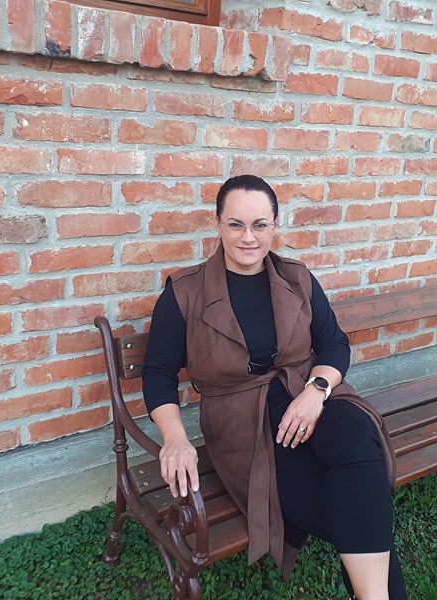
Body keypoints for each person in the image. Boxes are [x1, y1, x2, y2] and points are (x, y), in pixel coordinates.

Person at [141, 174, 407, 600]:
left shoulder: (296, 278)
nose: (248, 237)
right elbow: (158, 372)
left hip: (307, 395)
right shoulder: (184, 294)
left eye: (260, 225)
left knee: (357, 436)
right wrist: (174, 438)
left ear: (274, 226)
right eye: (236, 224)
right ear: (217, 224)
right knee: (351, 506)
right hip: (244, 426)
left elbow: (334, 344)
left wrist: (316, 391)